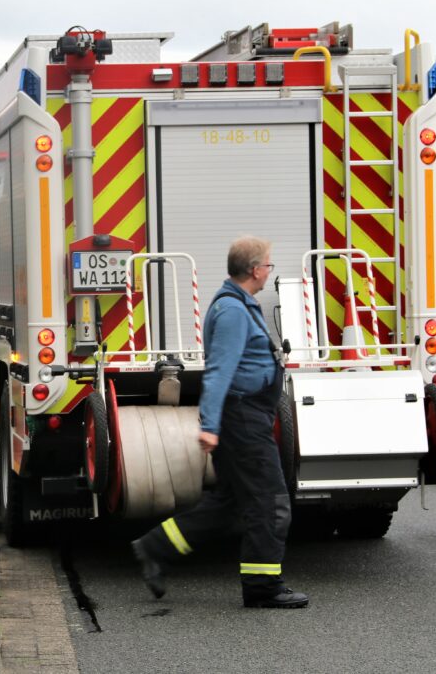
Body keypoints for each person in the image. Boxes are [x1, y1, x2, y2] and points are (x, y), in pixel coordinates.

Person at [129, 237, 308, 609]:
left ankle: (154, 547)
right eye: (269, 265)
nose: (269, 271)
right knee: (270, 502)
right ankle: (263, 587)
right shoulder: (232, 311)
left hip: (246, 415)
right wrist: (209, 424)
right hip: (242, 419)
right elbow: (219, 371)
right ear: (256, 269)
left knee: (229, 504)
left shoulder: (242, 305)